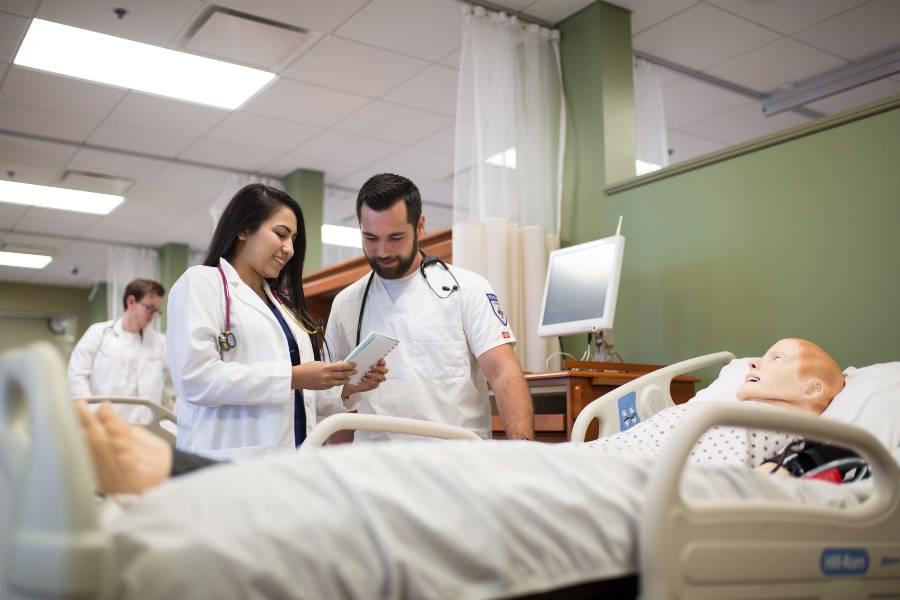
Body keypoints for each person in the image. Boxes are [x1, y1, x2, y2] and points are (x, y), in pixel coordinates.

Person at [75, 338, 851, 497]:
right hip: (589, 470)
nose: (755, 359)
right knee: (391, 473)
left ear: (817, 393)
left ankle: (175, 476)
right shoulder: (737, 395)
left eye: (778, 356)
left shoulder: (801, 430)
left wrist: (738, 384)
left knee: (392, 489)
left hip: (619, 488)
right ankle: (184, 475)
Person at [165, 183, 387, 460]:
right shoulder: (202, 283)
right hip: (226, 462)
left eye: (293, 239)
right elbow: (195, 379)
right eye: (281, 234)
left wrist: (346, 387)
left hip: (291, 459)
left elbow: (301, 400)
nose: (290, 249)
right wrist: (293, 376)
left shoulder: (283, 306)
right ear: (244, 229)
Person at [321, 173, 534, 441]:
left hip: (452, 464)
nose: (383, 251)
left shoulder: (467, 289)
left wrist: (524, 452)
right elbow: (333, 401)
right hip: (376, 468)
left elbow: (503, 373)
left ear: (419, 226)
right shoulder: (346, 304)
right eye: (371, 238)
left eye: (396, 237)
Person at [588, 338, 845, 467]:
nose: (753, 362)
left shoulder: (788, 436)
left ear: (813, 389)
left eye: (776, 359)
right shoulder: (723, 412)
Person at [67, 278, 168, 421]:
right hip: (105, 423)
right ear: (131, 302)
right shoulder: (99, 333)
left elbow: (181, 378)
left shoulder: (161, 342)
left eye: (156, 311)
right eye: (149, 308)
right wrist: (92, 412)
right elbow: (76, 376)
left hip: (147, 427)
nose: (153, 316)